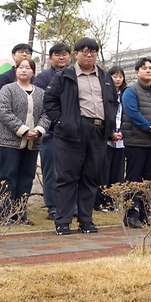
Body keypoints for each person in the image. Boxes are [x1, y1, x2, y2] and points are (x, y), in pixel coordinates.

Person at [44, 37, 117, 235]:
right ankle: (63, 222)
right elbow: (49, 101)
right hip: (71, 133)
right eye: (84, 51)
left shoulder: (104, 77)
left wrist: (110, 124)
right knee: (67, 178)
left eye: (93, 51)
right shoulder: (65, 76)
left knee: (90, 178)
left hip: (98, 132)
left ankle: (86, 221)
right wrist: (62, 122)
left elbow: (113, 102)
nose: (89, 55)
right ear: (76, 54)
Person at [0, 57, 49, 225]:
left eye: (28, 68)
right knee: (7, 177)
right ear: (16, 71)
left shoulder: (41, 93)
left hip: (32, 143)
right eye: (20, 67)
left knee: (26, 178)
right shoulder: (8, 89)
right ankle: (2, 215)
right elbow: (3, 111)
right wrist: (23, 130)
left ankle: (19, 215)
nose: (24, 70)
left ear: (33, 72)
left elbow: (47, 114)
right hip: (9, 142)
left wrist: (38, 131)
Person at [120, 57, 151, 228]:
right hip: (136, 141)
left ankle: (146, 212)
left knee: (150, 179)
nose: (148, 70)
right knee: (133, 178)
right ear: (137, 72)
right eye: (144, 68)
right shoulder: (130, 91)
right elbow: (133, 113)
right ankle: (131, 214)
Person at [33, 42, 71, 220]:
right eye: (57, 54)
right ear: (50, 58)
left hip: (73, 132)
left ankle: (71, 206)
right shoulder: (43, 78)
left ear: (70, 56)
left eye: (64, 54)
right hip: (51, 132)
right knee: (51, 172)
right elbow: (42, 104)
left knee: (71, 171)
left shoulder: (76, 75)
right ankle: (53, 207)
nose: (61, 57)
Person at [98, 66, 127, 213]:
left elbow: (127, 116)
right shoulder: (104, 93)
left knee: (117, 171)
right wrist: (111, 133)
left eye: (120, 76)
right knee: (103, 171)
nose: (118, 79)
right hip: (106, 139)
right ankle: (101, 201)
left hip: (121, 140)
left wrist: (121, 132)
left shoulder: (126, 94)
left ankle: (113, 201)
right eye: (114, 76)